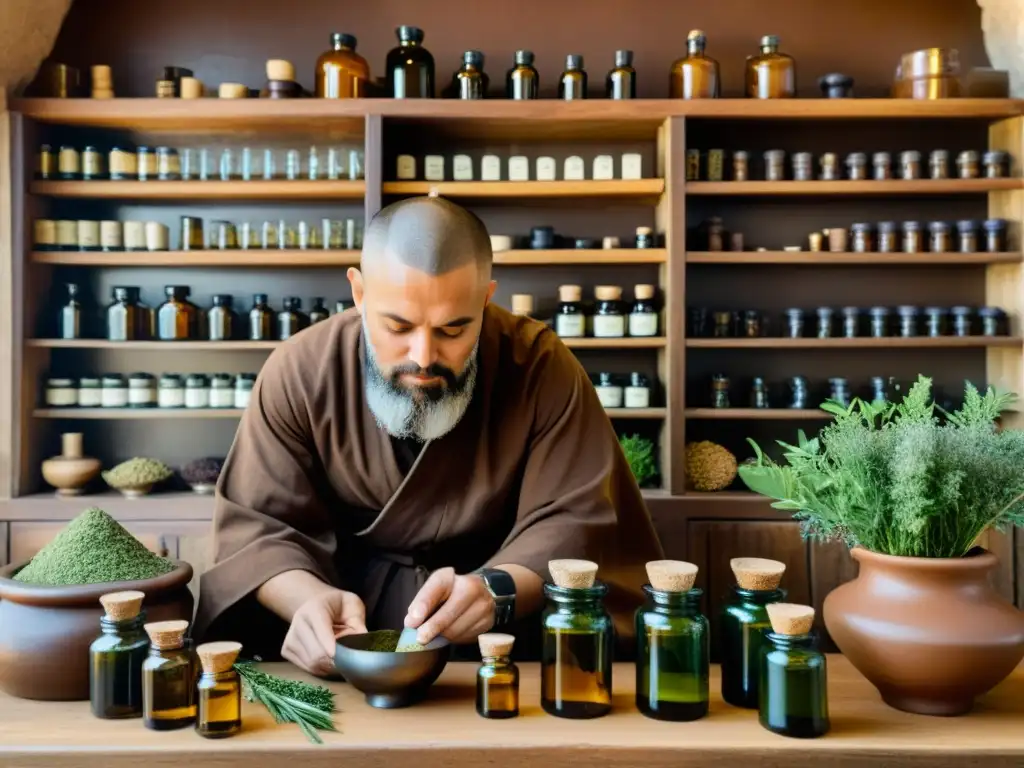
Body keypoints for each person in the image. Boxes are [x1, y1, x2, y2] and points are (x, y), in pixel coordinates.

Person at [193, 194, 664, 677]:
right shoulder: (299, 369)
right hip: (347, 635)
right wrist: (307, 601)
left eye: (453, 330)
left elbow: (577, 519)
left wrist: (495, 590)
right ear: (358, 292)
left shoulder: (540, 366)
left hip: (500, 640)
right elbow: (257, 529)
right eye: (397, 325)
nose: (423, 355)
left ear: (486, 298)